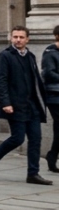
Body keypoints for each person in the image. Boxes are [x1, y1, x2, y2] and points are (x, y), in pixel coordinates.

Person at [0, 26, 50, 184]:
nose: (18, 40)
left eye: (21, 37)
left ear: (27, 39)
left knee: (36, 139)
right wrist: (5, 102)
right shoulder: (5, 56)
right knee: (18, 138)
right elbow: (1, 81)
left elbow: (36, 82)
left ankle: (33, 174)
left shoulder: (31, 56)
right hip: (15, 105)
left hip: (32, 105)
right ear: (11, 38)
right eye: (15, 37)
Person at [42, 25, 59, 174]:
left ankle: (52, 156)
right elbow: (49, 74)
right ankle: (52, 156)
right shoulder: (50, 53)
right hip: (54, 96)